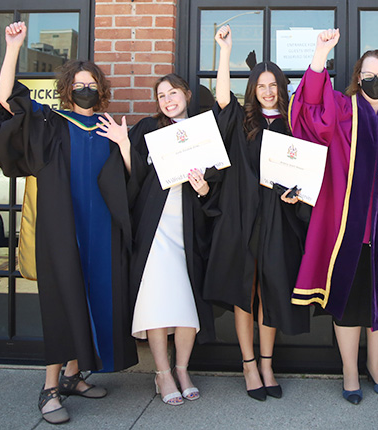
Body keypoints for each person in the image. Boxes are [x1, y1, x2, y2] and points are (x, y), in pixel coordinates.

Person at [0, 22, 138, 424]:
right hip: (63, 230)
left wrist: (123, 146)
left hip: (102, 231)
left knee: (97, 299)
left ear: (99, 89)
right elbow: (5, 99)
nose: (85, 89)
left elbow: (129, 181)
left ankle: (73, 376)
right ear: (68, 88)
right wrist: (13, 47)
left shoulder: (108, 129)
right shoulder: (51, 124)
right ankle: (49, 387)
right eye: (79, 84)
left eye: (91, 84)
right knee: (62, 301)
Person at [289, 29, 378, 405]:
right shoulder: (342, 109)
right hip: (344, 227)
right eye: (367, 74)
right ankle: (351, 371)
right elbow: (310, 110)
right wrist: (321, 53)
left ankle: (376, 365)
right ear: (357, 78)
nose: (374, 79)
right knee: (348, 302)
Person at [204, 25, 311, 402]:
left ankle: (267, 363)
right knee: (243, 291)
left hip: (280, 220)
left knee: (272, 291)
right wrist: (224, 51)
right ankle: (248, 365)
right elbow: (220, 98)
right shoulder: (242, 120)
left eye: (273, 85)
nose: (267, 91)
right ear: (252, 88)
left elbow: (306, 172)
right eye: (260, 85)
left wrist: (299, 196)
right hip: (243, 217)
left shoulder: (293, 122)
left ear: (281, 88)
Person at [127, 73, 218, 406]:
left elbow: (217, 181)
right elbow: (132, 174)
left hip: (187, 229)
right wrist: (124, 146)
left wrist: (205, 189)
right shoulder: (147, 131)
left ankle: (182, 369)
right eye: (161, 95)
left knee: (184, 305)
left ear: (187, 95)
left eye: (173, 92)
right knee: (155, 303)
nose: (168, 99)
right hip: (155, 229)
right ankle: (162, 374)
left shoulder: (203, 132)